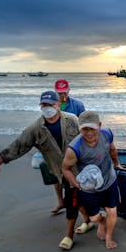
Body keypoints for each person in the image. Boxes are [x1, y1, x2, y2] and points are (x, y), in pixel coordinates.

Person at [0, 91, 91, 250]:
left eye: (51, 104)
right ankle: (88, 221)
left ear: (58, 104)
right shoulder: (35, 129)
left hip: (79, 169)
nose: (47, 108)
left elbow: (88, 138)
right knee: (74, 198)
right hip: (60, 171)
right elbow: (19, 145)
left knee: (72, 200)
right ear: (40, 106)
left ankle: (69, 235)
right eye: (44, 105)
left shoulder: (72, 120)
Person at [62, 111, 122, 249]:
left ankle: (109, 237)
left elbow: (112, 150)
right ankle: (101, 222)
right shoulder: (74, 148)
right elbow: (65, 168)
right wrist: (77, 184)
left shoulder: (107, 134)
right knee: (94, 217)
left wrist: (117, 163)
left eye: (92, 129)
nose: (89, 133)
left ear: (99, 126)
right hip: (89, 187)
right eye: (85, 129)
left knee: (112, 211)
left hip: (109, 179)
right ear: (80, 128)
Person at [49, 79, 86, 214]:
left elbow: (84, 125)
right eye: (59, 93)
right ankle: (61, 202)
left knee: (73, 178)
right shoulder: (51, 106)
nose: (62, 95)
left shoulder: (78, 105)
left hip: (74, 147)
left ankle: (81, 208)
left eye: (64, 92)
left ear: (68, 90)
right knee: (56, 177)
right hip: (56, 147)